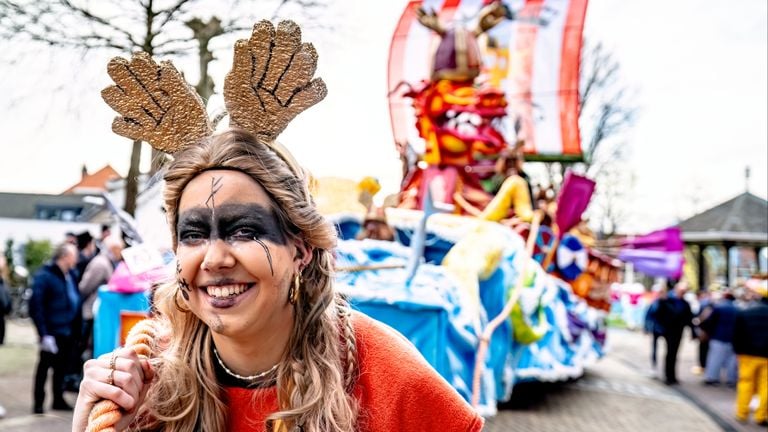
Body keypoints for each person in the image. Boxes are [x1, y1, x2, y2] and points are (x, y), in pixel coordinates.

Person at [73, 19, 483, 432]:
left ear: (301, 249)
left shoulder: (387, 376)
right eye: (193, 235)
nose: (214, 258)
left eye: (245, 231)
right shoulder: (147, 383)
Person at [29, 242, 80, 413]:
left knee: (61, 368)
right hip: (52, 331)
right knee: (44, 368)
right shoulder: (45, 276)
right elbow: (36, 306)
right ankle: (38, 403)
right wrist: (44, 334)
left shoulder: (70, 274)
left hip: (67, 330)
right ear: (65, 256)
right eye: (74, 255)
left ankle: (58, 399)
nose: (77, 258)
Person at [78, 235, 125, 360]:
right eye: (119, 249)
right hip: (91, 312)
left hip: (98, 312)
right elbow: (84, 288)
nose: (120, 252)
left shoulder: (107, 262)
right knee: (87, 347)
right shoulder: (101, 263)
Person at [732, 282, 768, 426]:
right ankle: (761, 415)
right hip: (766, 356)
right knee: (766, 386)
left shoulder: (745, 312)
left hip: (747, 355)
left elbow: (736, 334)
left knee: (745, 383)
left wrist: (737, 351)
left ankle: (742, 413)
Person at [654, 280, 695, 385]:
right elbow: (659, 314)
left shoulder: (685, 303)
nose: (683, 292)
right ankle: (668, 376)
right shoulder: (667, 301)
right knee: (670, 353)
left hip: (678, 331)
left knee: (675, 353)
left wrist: (693, 332)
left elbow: (689, 318)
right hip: (668, 331)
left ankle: (672, 376)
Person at [700, 291, 738, 387]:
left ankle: (712, 378)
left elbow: (710, 322)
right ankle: (731, 379)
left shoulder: (719, 308)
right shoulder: (738, 309)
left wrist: (708, 332)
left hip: (718, 336)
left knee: (715, 359)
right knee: (731, 361)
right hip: (732, 338)